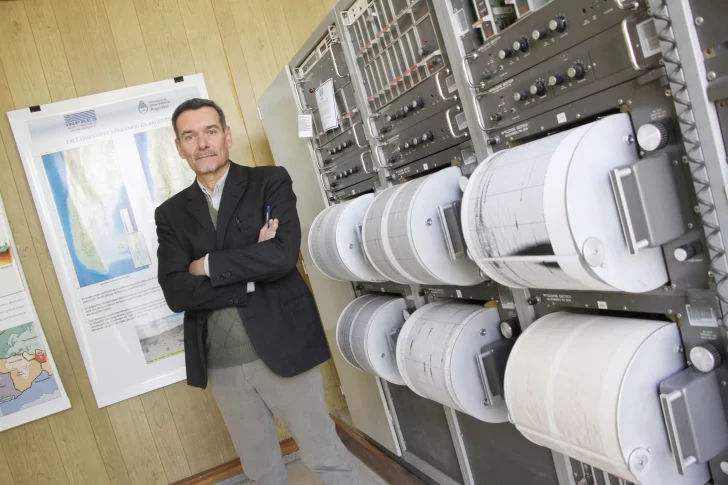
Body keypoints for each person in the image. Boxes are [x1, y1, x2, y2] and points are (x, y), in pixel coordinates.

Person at [155, 98, 359, 485]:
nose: (203, 143)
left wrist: (207, 265)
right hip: (222, 364)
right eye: (190, 136)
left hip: (283, 346)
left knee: (327, 458)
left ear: (227, 136)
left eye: (210, 131)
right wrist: (250, 270)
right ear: (179, 147)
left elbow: (281, 257)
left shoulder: (269, 181)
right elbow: (177, 293)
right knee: (261, 472)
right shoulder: (171, 214)